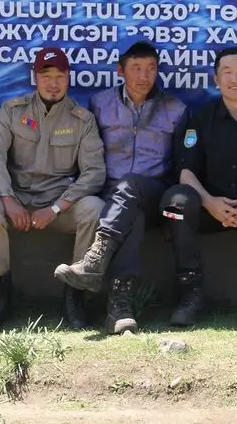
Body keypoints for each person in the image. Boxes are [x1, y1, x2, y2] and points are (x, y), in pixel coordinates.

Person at [54, 40, 186, 334]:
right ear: (120, 71)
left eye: (151, 68)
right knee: (130, 213)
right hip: (111, 196)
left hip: (154, 193)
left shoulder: (175, 108)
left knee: (132, 188)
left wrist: (173, 215)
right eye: (136, 68)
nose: (144, 76)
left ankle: (95, 259)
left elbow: (182, 165)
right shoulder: (100, 103)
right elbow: (85, 155)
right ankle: (119, 306)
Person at [0, 47, 106, 329]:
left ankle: (75, 295)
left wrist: (57, 207)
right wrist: (8, 199)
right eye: (46, 75)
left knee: (95, 209)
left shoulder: (82, 120)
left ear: (69, 78)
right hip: (16, 198)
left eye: (60, 76)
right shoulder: (12, 111)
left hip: (59, 204)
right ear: (35, 77)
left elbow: (94, 173)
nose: (53, 83)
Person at [158, 47, 237, 329]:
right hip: (207, 210)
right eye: (227, 72)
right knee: (174, 204)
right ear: (216, 80)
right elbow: (185, 171)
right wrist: (209, 202)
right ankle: (189, 292)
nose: (235, 78)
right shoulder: (199, 119)